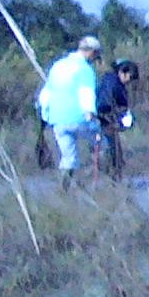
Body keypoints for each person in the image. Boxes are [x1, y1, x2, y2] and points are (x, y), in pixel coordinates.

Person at [36, 34, 102, 187]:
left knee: (68, 158)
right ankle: (101, 181)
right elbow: (86, 92)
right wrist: (89, 112)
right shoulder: (85, 69)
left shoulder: (57, 66)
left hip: (57, 119)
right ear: (91, 52)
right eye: (96, 55)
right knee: (102, 144)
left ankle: (64, 188)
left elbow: (47, 92)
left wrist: (46, 114)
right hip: (79, 118)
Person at [95, 58, 139, 177]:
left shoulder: (112, 81)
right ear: (122, 72)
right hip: (104, 122)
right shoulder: (112, 83)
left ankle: (112, 177)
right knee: (113, 154)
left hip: (107, 122)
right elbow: (106, 104)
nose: (129, 82)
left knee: (113, 154)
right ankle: (112, 179)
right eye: (129, 78)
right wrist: (116, 118)